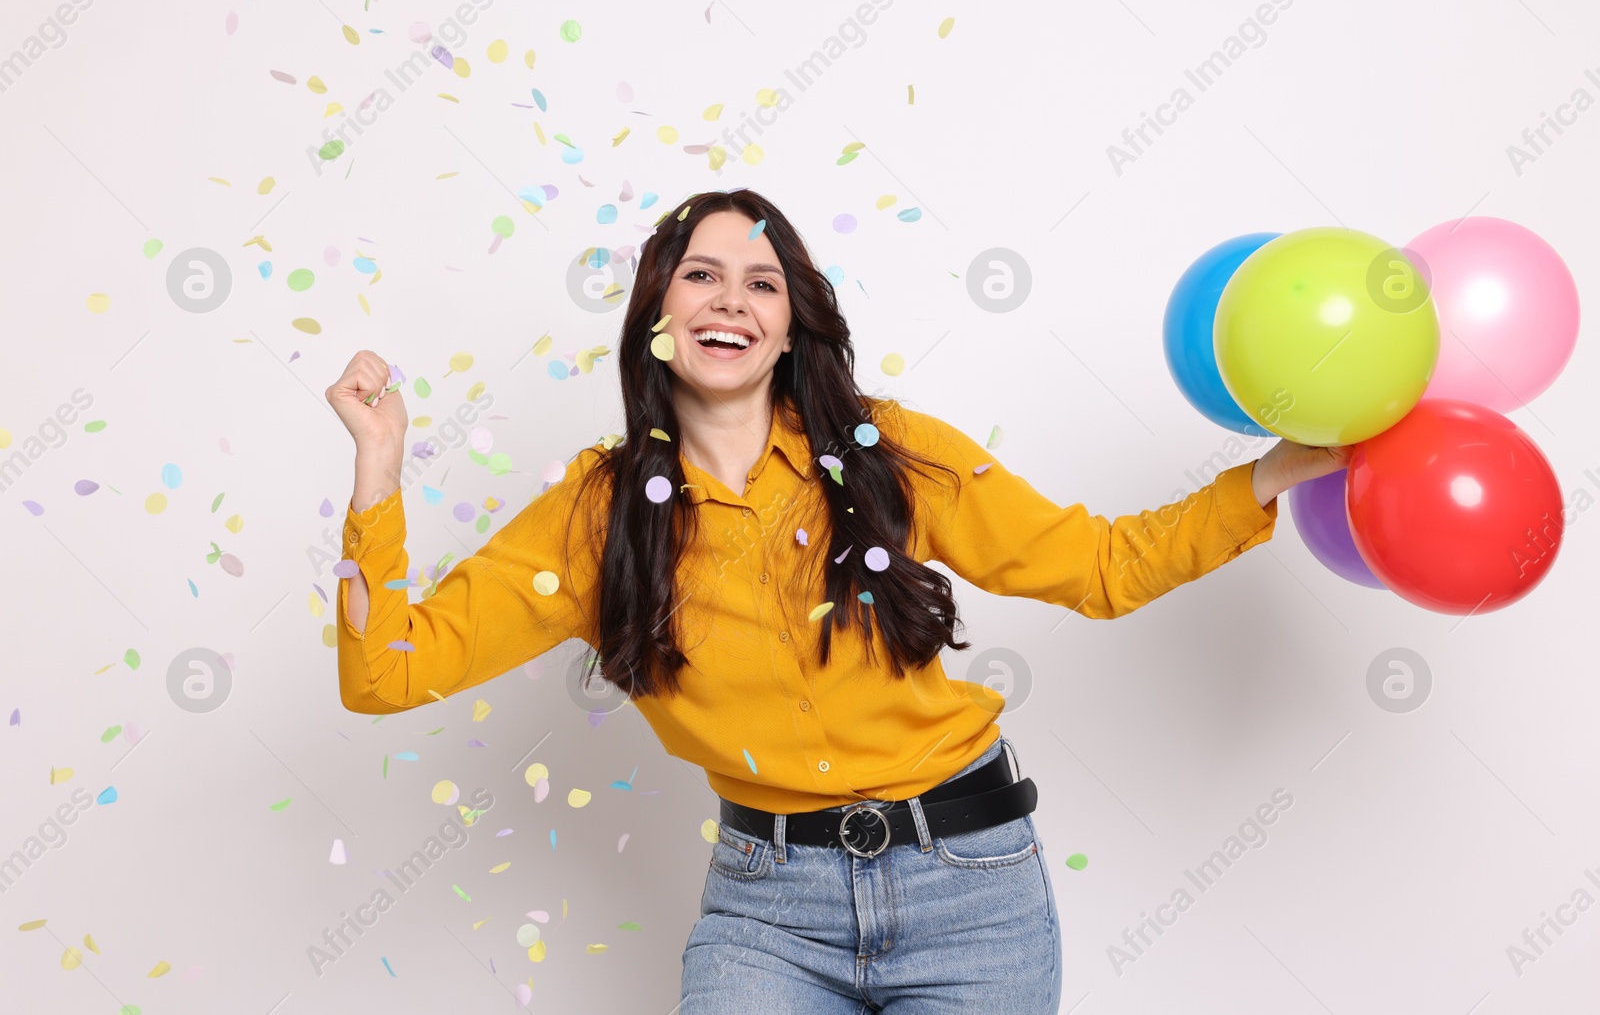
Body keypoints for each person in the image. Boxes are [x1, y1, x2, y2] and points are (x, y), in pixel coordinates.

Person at [326, 187, 1349, 1012]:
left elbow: (1099, 567)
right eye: (701, 276)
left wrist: (1261, 477)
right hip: (767, 915)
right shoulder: (593, 515)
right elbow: (387, 673)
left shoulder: (885, 450)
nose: (731, 300)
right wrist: (380, 469)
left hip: (972, 890)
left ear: (789, 328)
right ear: (656, 317)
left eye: (761, 283)